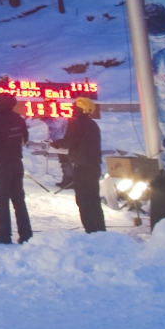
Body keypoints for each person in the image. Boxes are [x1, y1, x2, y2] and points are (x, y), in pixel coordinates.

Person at [0, 88, 32, 245]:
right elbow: (25, 137)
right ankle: (26, 234)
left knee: (2, 201)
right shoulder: (17, 118)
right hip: (17, 162)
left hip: (2, 164)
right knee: (19, 200)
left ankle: (4, 234)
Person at [59, 96, 106, 232]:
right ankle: (99, 229)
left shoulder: (75, 123)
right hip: (94, 166)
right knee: (93, 200)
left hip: (82, 167)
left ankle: (91, 230)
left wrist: (56, 143)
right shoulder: (92, 124)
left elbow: (69, 142)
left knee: (83, 200)